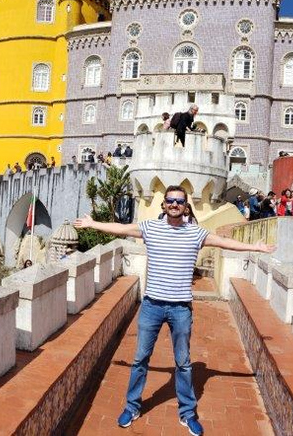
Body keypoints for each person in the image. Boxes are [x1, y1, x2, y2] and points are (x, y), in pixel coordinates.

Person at [74, 185, 275, 433]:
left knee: (183, 363)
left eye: (179, 201)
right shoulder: (150, 228)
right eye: (170, 200)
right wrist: (93, 224)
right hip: (152, 306)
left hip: (181, 309)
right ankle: (132, 406)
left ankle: (187, 413)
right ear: (164, 204)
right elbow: (122, 229)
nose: (174, 204)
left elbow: (224, 242)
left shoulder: (196, 234)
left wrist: (256, 248)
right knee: (140, 360)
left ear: (186, 206)